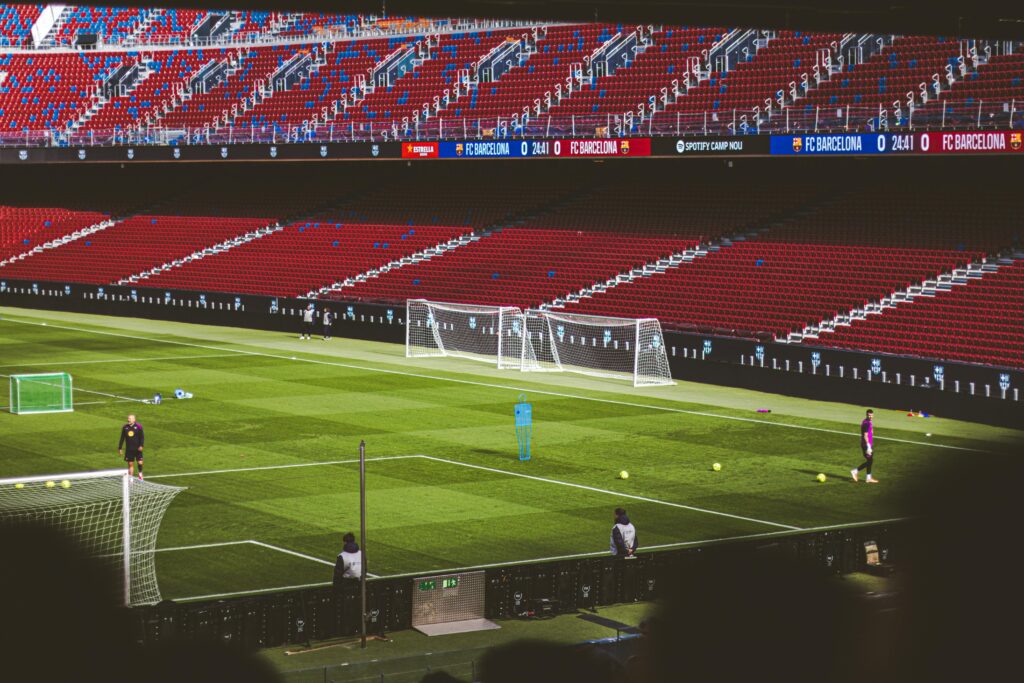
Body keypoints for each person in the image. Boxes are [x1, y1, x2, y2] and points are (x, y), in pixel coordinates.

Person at [851, 408, 878, 483]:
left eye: (871, 415)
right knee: (870, 461)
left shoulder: (868, 421)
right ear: (866, 415)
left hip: (867, 444)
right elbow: (865, 436)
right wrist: (868, 446)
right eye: (869, 415)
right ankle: (855, 471)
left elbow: (870, 432)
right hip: (866, 445)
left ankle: (868, 478)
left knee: (870, 460)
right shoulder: (866, 423)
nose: (870, 417)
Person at [118, 414, 145, 480]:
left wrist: (141, 445)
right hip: (129, 449)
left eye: (130, 419)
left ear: (134, 420)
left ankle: (140, 473)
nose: (128, 420)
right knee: (130, 464)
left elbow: (142, 437)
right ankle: (131, 479)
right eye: (128, 418)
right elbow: (122, 438)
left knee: (140, 462)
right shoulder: (125, 427)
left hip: (138, 449)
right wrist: (120, 448)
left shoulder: (138, 426)